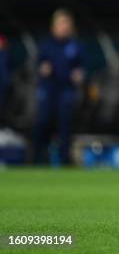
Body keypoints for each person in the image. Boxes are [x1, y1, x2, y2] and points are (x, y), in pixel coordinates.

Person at [33, 9, 85, 165]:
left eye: (66, 24)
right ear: (54, 26)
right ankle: (38, 159)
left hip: (66, 89)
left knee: (65, 125)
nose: (64, 27)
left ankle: (64, 160)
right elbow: (38, 64)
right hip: (49, 89)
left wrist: (80, 74)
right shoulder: (47, 45)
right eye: (61, 24)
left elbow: (83, 66)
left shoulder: (75, 46)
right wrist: (43, 68)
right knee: (43, 122)